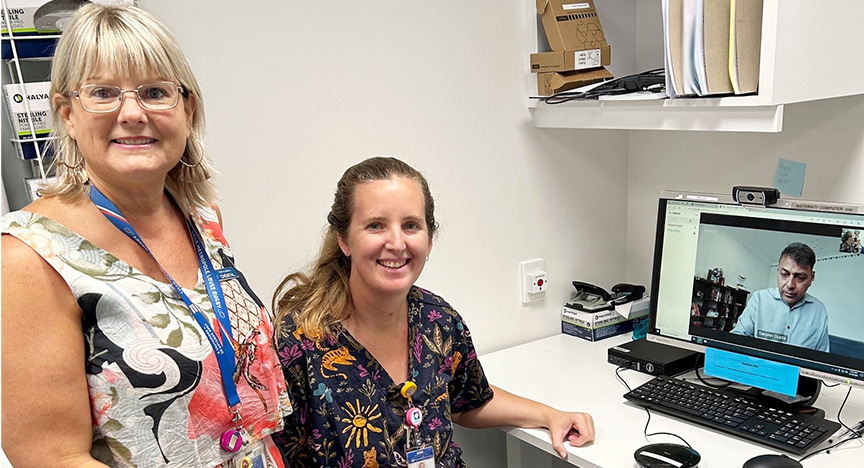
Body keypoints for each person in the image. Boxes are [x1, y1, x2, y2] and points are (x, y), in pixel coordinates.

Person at [1, 5, 290, 467]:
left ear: (187, 109)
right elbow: (51, 457)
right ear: (67, 114)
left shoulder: (202, 217)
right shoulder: (29, 258)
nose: (133, 113)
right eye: (103, 93)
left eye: (155, 92)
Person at [272, 157, 595, 468]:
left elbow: (470, 398)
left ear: (429, 239)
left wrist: (551, 415)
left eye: (411, 225)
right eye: (375, 225)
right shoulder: (300, 341)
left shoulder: (437, 320)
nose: (397, 243)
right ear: (344, 240)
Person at [731, 243, 830, 352]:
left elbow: (821, 357)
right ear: (778, 272)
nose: (790, 285)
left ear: (811, 278)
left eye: (800, 277)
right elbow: (736, 339)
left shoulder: (819, 311)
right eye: (784, 274)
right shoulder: (759, 299)